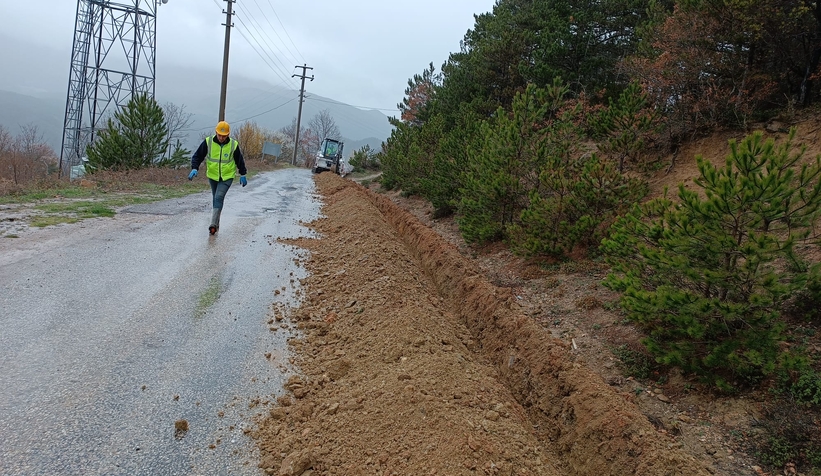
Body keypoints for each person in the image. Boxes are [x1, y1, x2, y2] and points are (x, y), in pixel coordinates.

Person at [188, 121, 248, 235]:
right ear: (216, 132)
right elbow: (198, 156)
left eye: (224, 136)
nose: (221, 138)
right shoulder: (208, 142)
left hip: (227, 176)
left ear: (228, 135)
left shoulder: (233, 145)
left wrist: (243, 174)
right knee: (215, 198)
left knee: (219, 197)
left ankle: (213, 224)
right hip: (213, 176)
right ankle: (216, 225)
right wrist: (195, 168)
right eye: (219, 135)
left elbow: (239, 160)